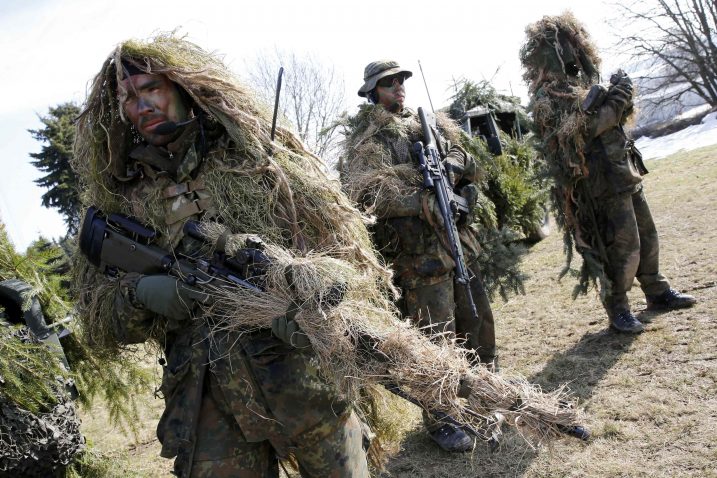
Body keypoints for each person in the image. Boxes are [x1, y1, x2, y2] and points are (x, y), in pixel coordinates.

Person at [72, 35, 373, 477]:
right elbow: (96, 315)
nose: (143, 106)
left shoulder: (255, 162)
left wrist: (309, 286)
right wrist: (140, 294)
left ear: (180, 87)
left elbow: (344, 253)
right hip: (205, 399)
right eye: (129, 98)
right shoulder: (123, 199)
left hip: (303, 380)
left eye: (151, 89)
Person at [340, 60, 496, 452]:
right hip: (418, 259)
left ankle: (486, 394)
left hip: (457, 245)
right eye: (388, 83)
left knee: (478, 321)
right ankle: (441, 418)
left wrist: (454, 164)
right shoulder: (369, 138)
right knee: (435, 339)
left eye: (400, 81)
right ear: (373, 91)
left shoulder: (430, 124)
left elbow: (468, 158)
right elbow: (366, 193)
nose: (398, 87)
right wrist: (422, 201)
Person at [520, 13, 696, 333]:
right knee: (623, 245)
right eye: (565, 46)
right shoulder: (548, 98)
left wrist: (620, 97)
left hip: (622, 171)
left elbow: (614, 120)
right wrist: (617, 99)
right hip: (597, 183)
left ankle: (657, 292)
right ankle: (618, 307)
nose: (573, 52)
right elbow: (583, 131)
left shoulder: (582, 83)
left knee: (648, 236)